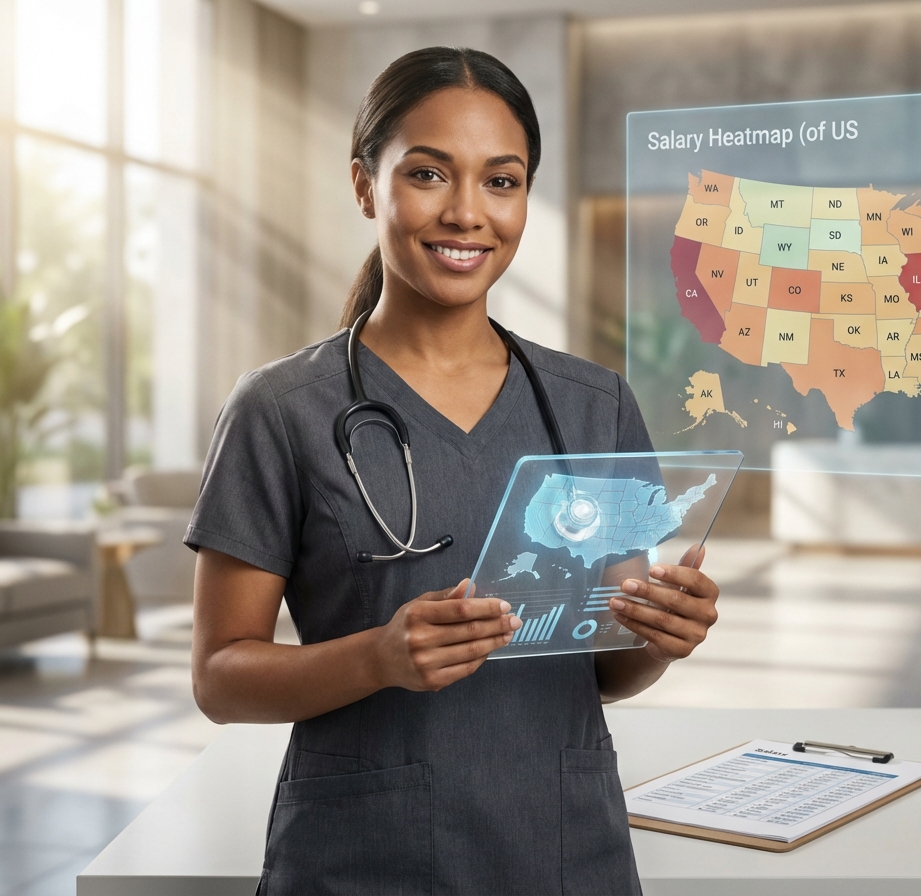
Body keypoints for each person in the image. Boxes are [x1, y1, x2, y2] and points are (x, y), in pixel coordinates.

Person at [188, 46, 721, 895]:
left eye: (501, 181)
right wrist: (378, 658)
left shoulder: (595, 405)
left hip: (564, 852)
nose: (468, 212)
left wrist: (661, 641)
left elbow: (608, 666)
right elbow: (220, 678)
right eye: (430, 174)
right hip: (361, 860)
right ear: (367, 185)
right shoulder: (282, 409)